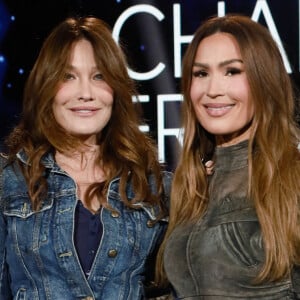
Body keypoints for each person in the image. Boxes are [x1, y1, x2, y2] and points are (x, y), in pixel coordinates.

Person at [0, 16, 172, 299]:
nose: (85, 93)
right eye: (68, 77)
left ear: (116, 89)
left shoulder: (156, 187)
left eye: (99, 76)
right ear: (47, 88)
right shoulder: (9, 180)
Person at [156, 14, 300, 299]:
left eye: (232, 71)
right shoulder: (192, 185)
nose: (213, 90)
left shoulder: (292, 179)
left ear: (264, 80)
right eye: (201, 74)